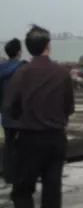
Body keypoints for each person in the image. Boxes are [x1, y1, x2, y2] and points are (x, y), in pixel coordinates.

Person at [3, 25, 75, 208]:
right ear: (48, 45)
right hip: (56, 137)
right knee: (52, 190)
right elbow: (69, 107)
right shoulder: (62, 73)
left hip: (29, 138)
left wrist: (23, 117)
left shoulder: (21, 73)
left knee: (22, 190)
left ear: (28, 48)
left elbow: (10, 106)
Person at [1, 39, 26, 185]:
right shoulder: (23, 68)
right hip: (22, 113)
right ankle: (21, 173)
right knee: (24, 144)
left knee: (9, 144)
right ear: (19, 52)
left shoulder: (1, 68)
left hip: (6, 113)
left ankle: (8, 175)